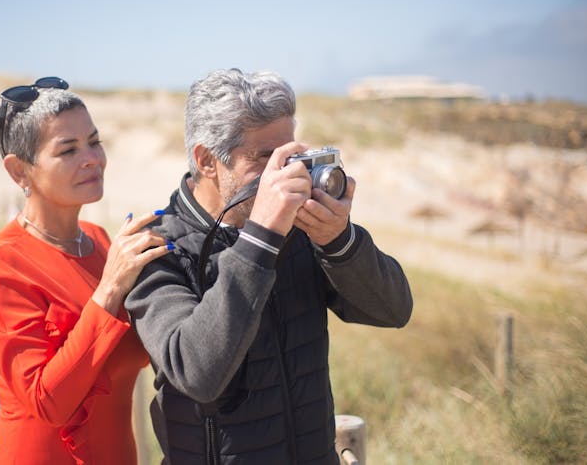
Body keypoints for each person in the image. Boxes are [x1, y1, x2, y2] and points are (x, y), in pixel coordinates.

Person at [124, 68, 414, 464]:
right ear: (207, 160)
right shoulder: (157, 246)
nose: (285, 174)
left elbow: (394, 310)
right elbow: (196, 373)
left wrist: (339, 240)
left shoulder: (298, 226)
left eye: (292, 156)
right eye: (264, 157)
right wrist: (260, 238)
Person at [0, 77, 172, 464]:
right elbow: (47, 401)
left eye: (94, 142)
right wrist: (110, 289)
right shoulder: (3, 265)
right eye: (68, 150)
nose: (92, 158)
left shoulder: (99, 241)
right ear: (19, 171)